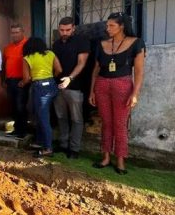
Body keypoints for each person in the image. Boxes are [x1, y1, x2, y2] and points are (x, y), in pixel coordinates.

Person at [89, 12, 145, 174]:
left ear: (122, 26)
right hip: (102, 86)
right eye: (107, 25)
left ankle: (120, 160)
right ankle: (105, 157)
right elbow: (96, 69)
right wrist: (92, 90)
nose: (108, 28)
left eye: (111, 25)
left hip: (123, 85)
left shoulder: (136, 43)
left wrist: (135, 93)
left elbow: (140, 72)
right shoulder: (101, 44)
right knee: (106, 123)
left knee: (120, 124)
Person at [52, 17, 90, 158]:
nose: (65, 33)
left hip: (75, 86)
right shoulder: (56, 44)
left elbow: (81, 63)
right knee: (61, 117)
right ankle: (63, 145)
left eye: (68, 30)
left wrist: (70, 78)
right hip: (58, 87)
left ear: (73, 28)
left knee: (76, 119)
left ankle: (74, 149)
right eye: (62, 30)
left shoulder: (82, 41)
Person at [21, 38, 62, 157]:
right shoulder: (50, 54)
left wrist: (22, 83)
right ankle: (40, 142)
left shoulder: (27, 58)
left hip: (39, 87)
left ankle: (48, 148)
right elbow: (59, 70)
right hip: (52, 85)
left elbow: (27, 78)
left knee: (43, 118)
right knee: (39, 115)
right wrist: (50, 79)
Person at [2, 23, 29, 137]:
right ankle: (17, 129)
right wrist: (4, 80)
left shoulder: (28, 45)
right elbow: (4, 64)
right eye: (13, 32)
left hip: (22, 80)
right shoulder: (8, 48)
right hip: (10, 81)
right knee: (13, 106)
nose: (15, 35)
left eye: (17, 32)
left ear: (23, 32)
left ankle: (23, 131)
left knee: (20, 106)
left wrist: (27, 79)